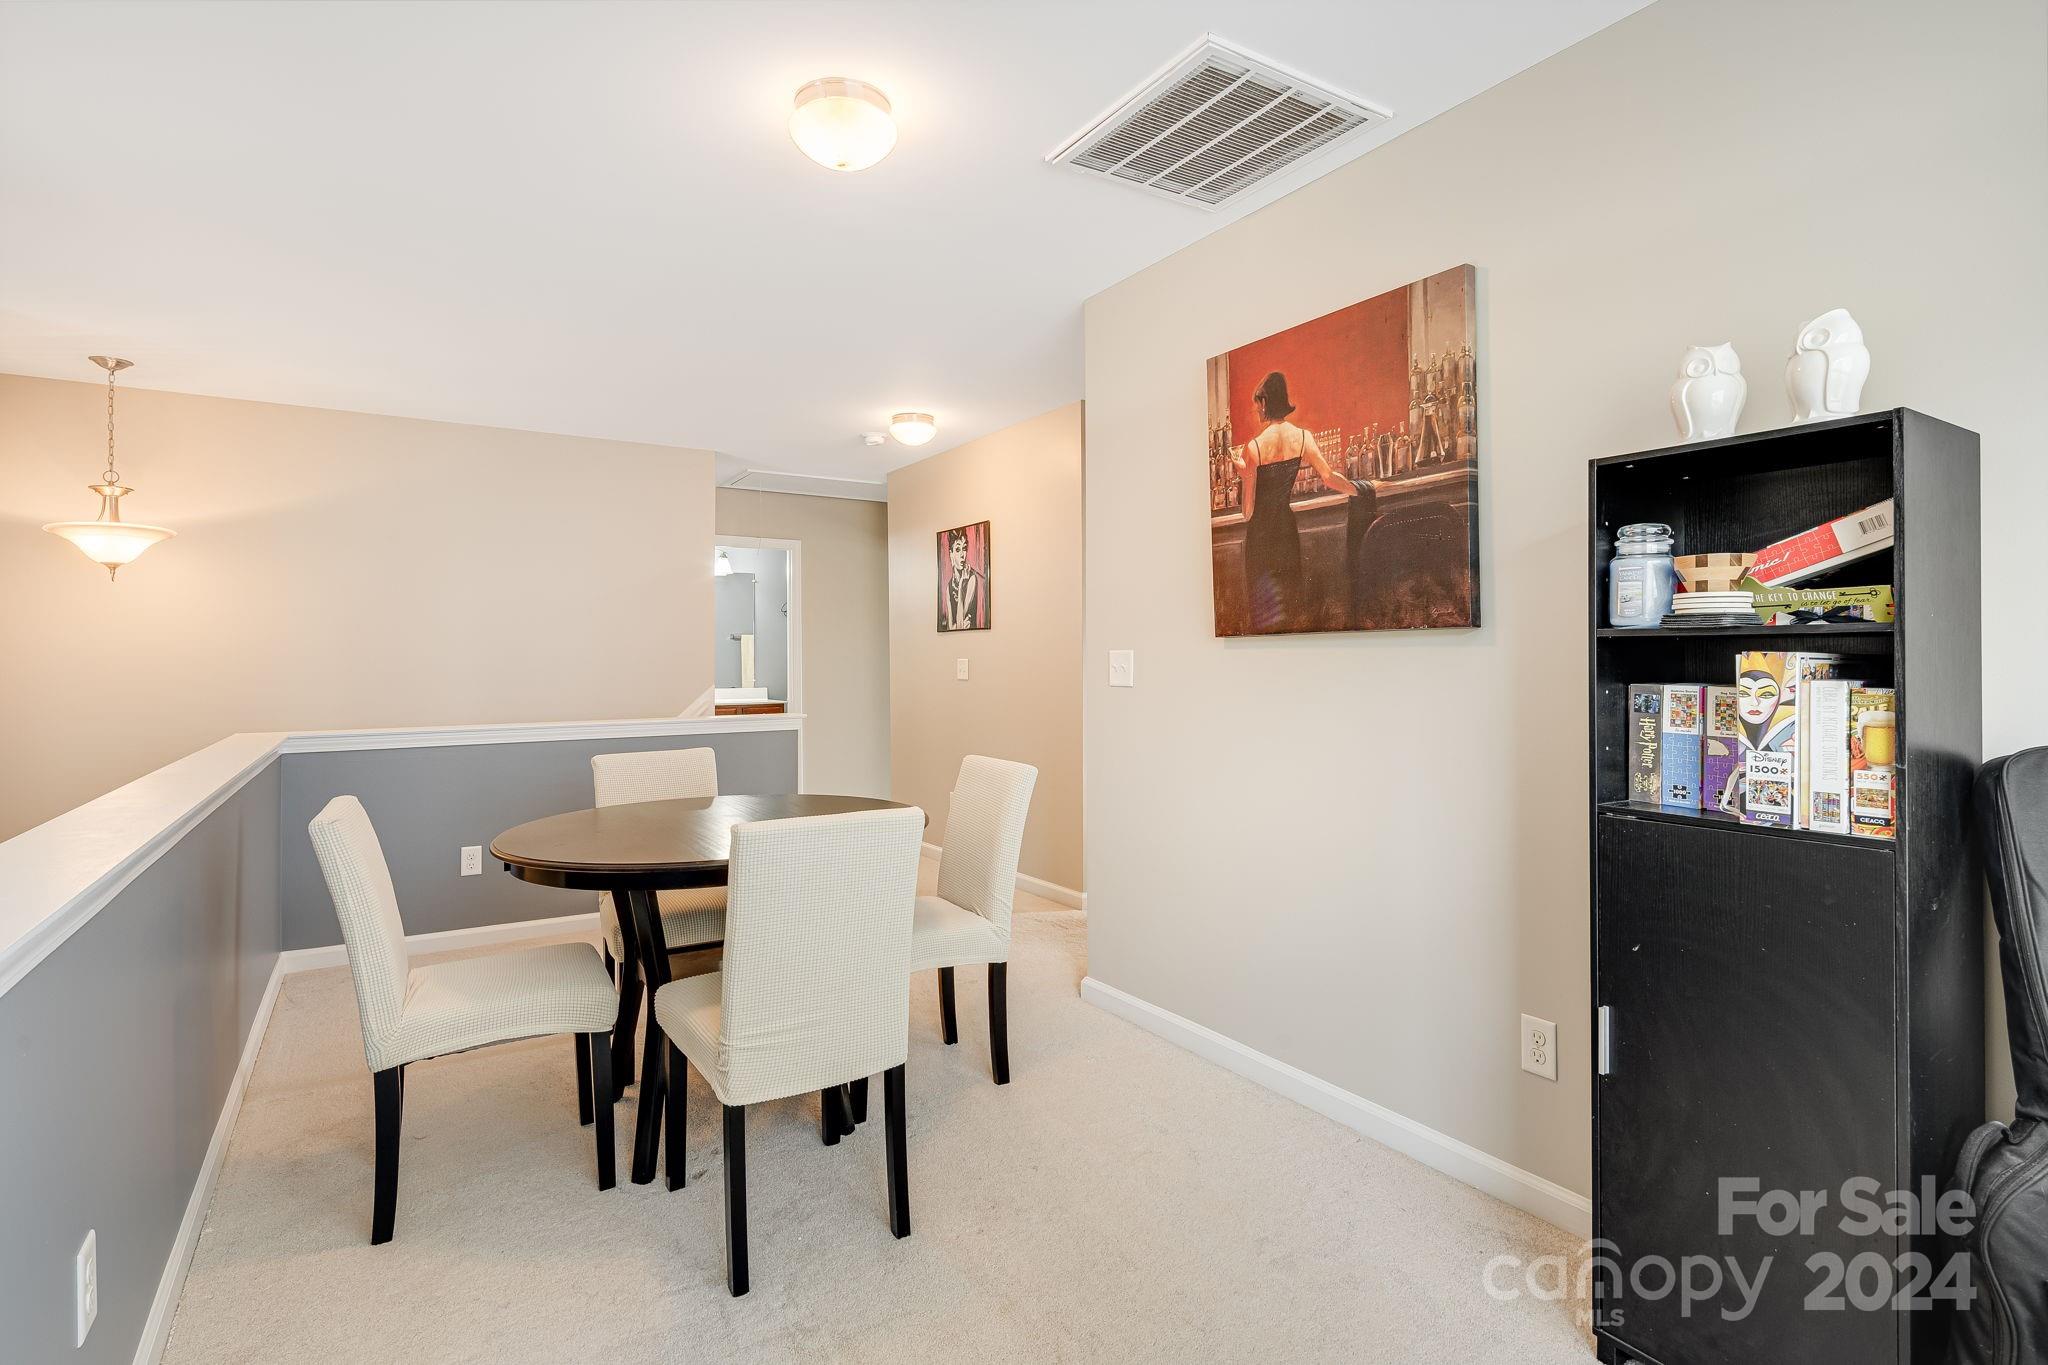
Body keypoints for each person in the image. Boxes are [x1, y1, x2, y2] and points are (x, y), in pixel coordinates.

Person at [1231, 371, 1359, 632]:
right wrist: (1361, 490)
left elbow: (1247, 512)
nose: (1257, 412)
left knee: (1265, 612)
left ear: (1265, 403)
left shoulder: (1253, 447)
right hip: (1286, 532)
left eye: (1258, 406)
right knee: (1291, 605)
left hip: (1261, 536)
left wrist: (1245, 476)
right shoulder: (1303, 438)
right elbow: (1330, 478)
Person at [940, 528, 985, 630]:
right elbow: (952, 628)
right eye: (957, 550)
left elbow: (959, 625)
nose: (962, 555)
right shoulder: (948, 587)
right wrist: (960, 584)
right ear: (951, 554)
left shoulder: (972, 579)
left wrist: (961, 586)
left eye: (964, 549)